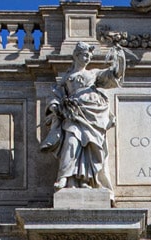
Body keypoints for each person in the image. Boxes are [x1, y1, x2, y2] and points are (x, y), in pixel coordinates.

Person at [41, 42, 125, 192]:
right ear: (76, 55)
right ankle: (64, 178)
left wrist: (119, 61)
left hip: (92, 115)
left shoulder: (93, 74)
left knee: (91, 146)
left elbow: (112, 75)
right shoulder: (67, 77)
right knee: (72, 143)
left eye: (89, 56)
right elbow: (56, 95)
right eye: (85, 55)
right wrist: (54, 106)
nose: (87, 59)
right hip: (73, 114)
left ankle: (86, 179)